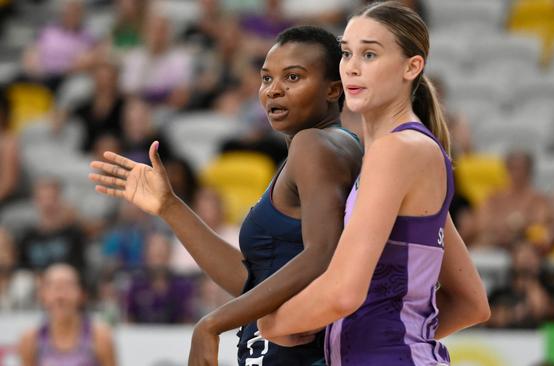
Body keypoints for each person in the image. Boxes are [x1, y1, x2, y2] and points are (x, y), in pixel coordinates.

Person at [89, 26, 363, 365]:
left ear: (333, 89)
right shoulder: (320, 149)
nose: (273, 90)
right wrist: (171, 207)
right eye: (266, 79)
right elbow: (252, 281)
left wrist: (212, 323)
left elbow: (324, 253)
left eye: (292, 78)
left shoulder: (315, 145)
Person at [257, 3, 490, 365]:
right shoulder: (406, 149)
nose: (351, 66)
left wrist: (272, 324)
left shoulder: (395, 151)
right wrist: (393, 336)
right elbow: (471, 302)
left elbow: (344, 292)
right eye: (347, 52)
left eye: (369, 54)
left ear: (412, 67)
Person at [17, 263, 116, 366]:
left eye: (67, 287)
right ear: (42, 295)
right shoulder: (30, 341)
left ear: (81, 294)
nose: (60, 296)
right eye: (54, 287)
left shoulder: (100, 337)